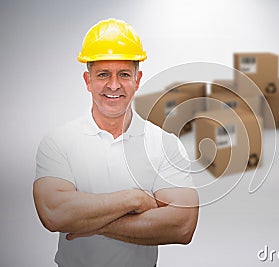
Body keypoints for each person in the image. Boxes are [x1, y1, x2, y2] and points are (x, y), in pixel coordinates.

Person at [33, 18, 199, 267]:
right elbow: (54, 213)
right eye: (103, 75)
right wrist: (133, 199)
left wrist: (89, 224)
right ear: (88, 81)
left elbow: (183, 225)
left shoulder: (163, 143)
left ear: (137, 79)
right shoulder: (59, 142)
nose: (113, 85)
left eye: (123, 74)